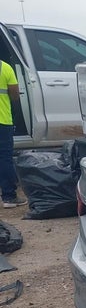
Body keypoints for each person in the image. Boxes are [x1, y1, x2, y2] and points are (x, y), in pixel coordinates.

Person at [0, 59, 25, 208]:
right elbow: (15, 95)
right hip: (2, 120)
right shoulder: (5, 67)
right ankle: (9, 197)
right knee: (4, 158)